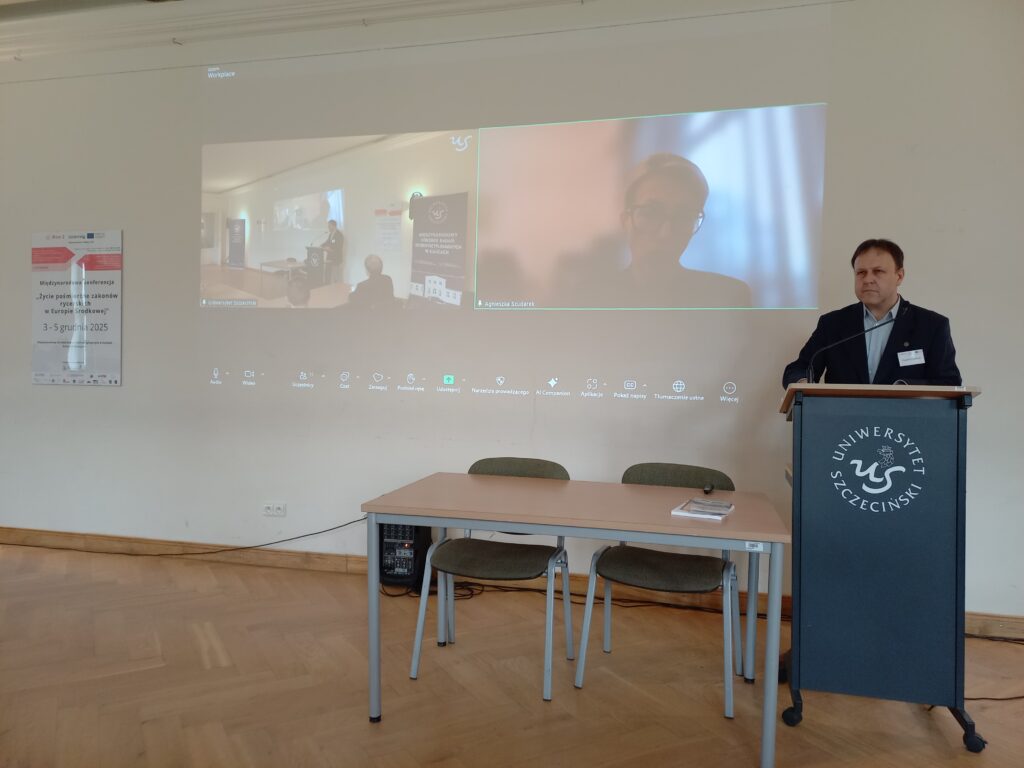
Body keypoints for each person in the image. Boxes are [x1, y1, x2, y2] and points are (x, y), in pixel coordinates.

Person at [782, 238, 961, 387]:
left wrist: (904, 388)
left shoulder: (932, 325)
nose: (868, 279)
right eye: (861, 273)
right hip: (843, 417)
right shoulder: (833, 324)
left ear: (899, 276)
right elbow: (798, 369)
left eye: (878, 272)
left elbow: (949, 382)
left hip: (907, 417)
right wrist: (803, 383)